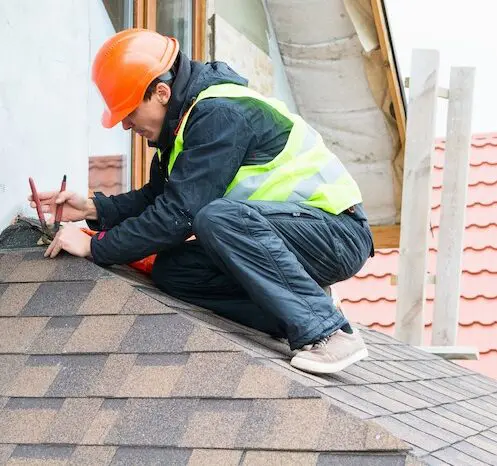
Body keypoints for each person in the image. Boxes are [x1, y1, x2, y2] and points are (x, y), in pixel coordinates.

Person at [30, 28, 374, 375]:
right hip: (289, 238)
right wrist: (93, 209)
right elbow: (159, 199)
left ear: (161, 92)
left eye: (129, 112)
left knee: (215, 218)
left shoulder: (219, 115)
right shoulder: (183, 128)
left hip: (337, 234)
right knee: (174, 270)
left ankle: (329, 333)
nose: (126, 125)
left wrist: (96, 248)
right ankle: (301, 307)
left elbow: (177, 217)